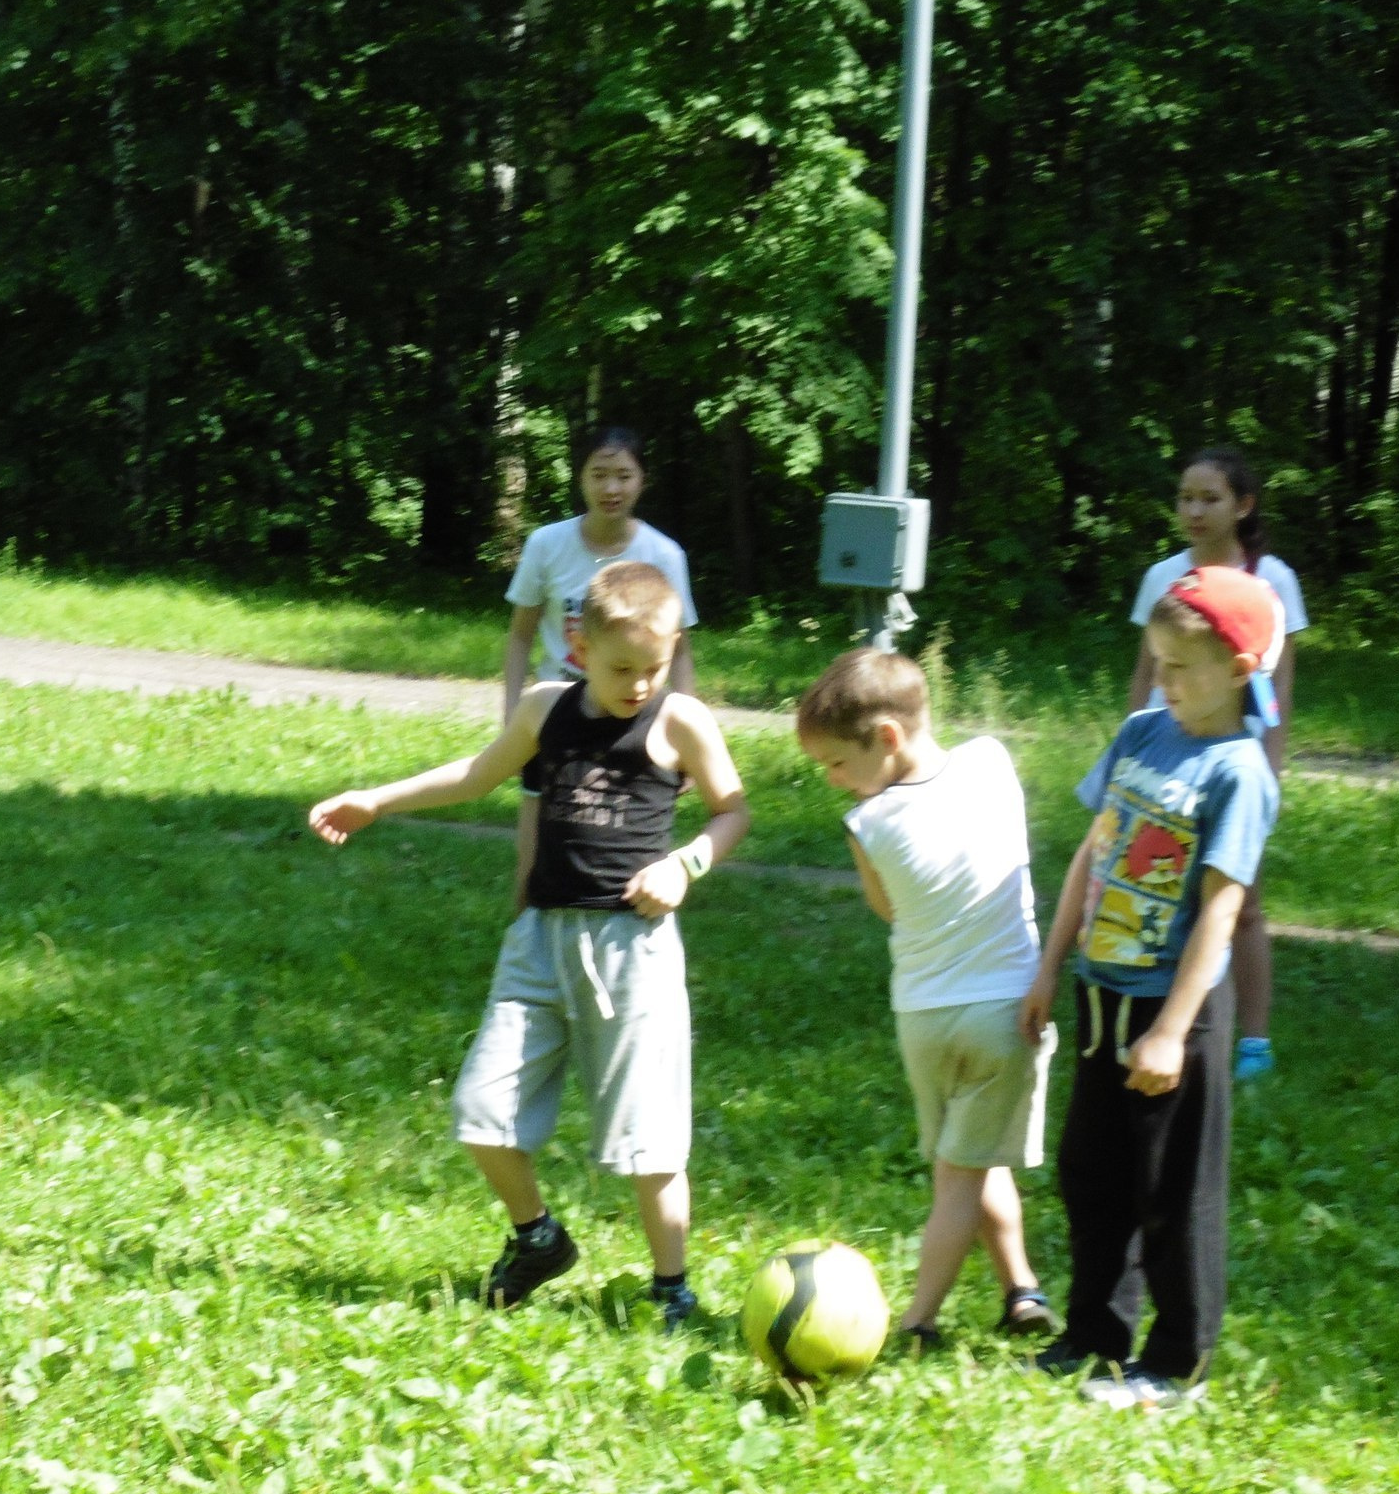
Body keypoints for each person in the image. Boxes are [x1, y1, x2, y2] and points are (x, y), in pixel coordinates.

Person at [311, 562, 749, 1325]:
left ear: (674, 649)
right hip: (540, 942)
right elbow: (478, 775)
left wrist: (685, 865)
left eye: (654, 667)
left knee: (651, 1141)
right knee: (482, 1110)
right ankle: (538, 1238)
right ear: (579, 645)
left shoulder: (682, 721)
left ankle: (672, 1288)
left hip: (632, 951)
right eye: (621, 668)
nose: (639, 685)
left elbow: (731, 812)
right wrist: (376, 800)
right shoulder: (547, 709)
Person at [1024, 568, 1283, 1410]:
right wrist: (1047, 965)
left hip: (1177, 1012)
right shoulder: (1142, 734)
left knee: (1172, 1190)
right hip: (1101, 994)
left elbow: (1222, 913)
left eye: (1181, 666)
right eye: (1158, 660)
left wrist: (1173, 1030)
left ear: (1241, 669)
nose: (1162, 680)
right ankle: (1094, 1333)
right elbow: (1090, 858)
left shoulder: (1238, 771)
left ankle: (1174, 1365)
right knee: (1090, 1172)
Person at [795, 647, 1057, 1347]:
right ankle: (925, 1321)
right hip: (1007, 1015)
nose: (835, 781)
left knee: (969, 1159)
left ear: (886, 738)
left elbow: (887, 909)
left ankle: (1005, 1294)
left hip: (925, 1020)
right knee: (966, 1168)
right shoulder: (992, 762)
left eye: (838, 765)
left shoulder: (868, 825)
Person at [1123, 448, 1306, 1083]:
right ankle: (1156, 1017)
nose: (1194, 511)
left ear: (1243, 506)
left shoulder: (1272, 579)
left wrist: (1273, 763)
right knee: (1157, 886)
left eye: (1210, 499)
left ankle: (1252, 1039)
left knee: (1240, 903)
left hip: (1230, 750)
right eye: (1185, 498)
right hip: (1164, 750)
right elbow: (1145, 671)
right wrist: (1127, 744)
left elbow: (1280, 682)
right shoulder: (1163, 577)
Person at [502, 427, 699, 905]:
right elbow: (520, 635)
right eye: (599, 475)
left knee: (622, 830)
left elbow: (682, 650)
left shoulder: (664, 555)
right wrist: (511, 714)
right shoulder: (546, 545)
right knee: (536, 834)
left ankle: (628, 917)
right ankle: (525, 934)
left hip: (633, 712)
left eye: (623, 476)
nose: (611, 488)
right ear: (581, 478)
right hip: (558, 710)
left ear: (642, 481)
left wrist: (687, 729)